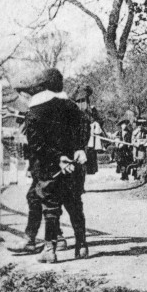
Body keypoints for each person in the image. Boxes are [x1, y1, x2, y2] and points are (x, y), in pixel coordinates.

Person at [14, 67, 90, 263]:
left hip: (49, 166)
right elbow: (85, 124)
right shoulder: (71, 106)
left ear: (40, 88)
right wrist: (80, 148)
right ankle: (81, 246)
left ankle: (50, 249)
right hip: (74, 164)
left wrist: (58, 158)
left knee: (50, 207)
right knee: (75, 205)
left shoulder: (34, 112)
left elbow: (37, 145)